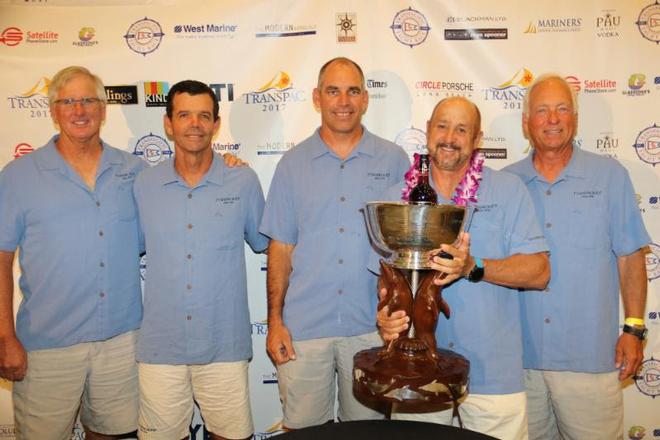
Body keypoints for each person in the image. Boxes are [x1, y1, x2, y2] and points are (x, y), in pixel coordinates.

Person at [376, 96, 550, 440]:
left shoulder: (508, 190)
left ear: (477, 138)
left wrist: (475, 266)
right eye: (442, 126)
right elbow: (385, 279)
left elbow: (539, 272)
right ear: (427, 131)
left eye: (461, 129)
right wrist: (384, 316)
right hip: (415, 374)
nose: (450, 137)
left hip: (492, 378)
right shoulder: (396, 197)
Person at [259, 57, 410, 429]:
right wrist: (275, 321)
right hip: (304, 329)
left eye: (353, 90)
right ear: (316, 97)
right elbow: (281, 248)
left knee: (368, 431)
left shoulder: (394, 160)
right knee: (303, 430)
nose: (343, 101)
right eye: (333, 91)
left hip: (371, 328)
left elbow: (408, 250)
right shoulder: (293, 165)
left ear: (365, 99)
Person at [503, 74, 650, 440]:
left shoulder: (609, 176)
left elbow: (630, 258)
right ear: (525, 123)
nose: (553, 119)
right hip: (521, 363)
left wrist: (633, 328)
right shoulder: (505, 184)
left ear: (575, 118)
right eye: (542, 110)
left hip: (590, 360)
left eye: (562, 109)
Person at [0, 66, 143, 440]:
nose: (79, 110)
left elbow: (184, 191)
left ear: (103, 108)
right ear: (53, 110)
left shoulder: (135, 171)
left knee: (111, 434)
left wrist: (224, 164)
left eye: (88, 100)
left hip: (120, 340)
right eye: (68, 102)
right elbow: (1, 259)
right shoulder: (18, 176)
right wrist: (5, 336)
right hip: (48, 346)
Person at [133, 80, 268, 440]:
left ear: (215, 123)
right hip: (162, 346)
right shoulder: (143, 185)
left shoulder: (242, 181)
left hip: (223, 343)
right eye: (184, 115)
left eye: (204, 116)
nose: (195, 124)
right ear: (168, 123)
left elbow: (266, 243)